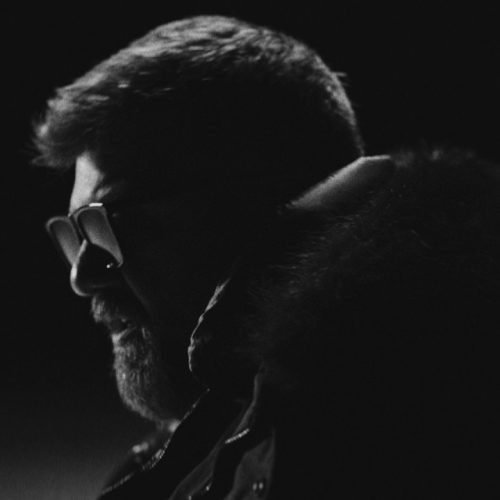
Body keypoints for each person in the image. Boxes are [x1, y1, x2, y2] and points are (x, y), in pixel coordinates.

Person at [35, 14, 499, 499]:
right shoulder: (203, 452)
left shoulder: (401, 435)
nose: (82, 276)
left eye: (114, 223)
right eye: (76, 232)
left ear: (266, 204)